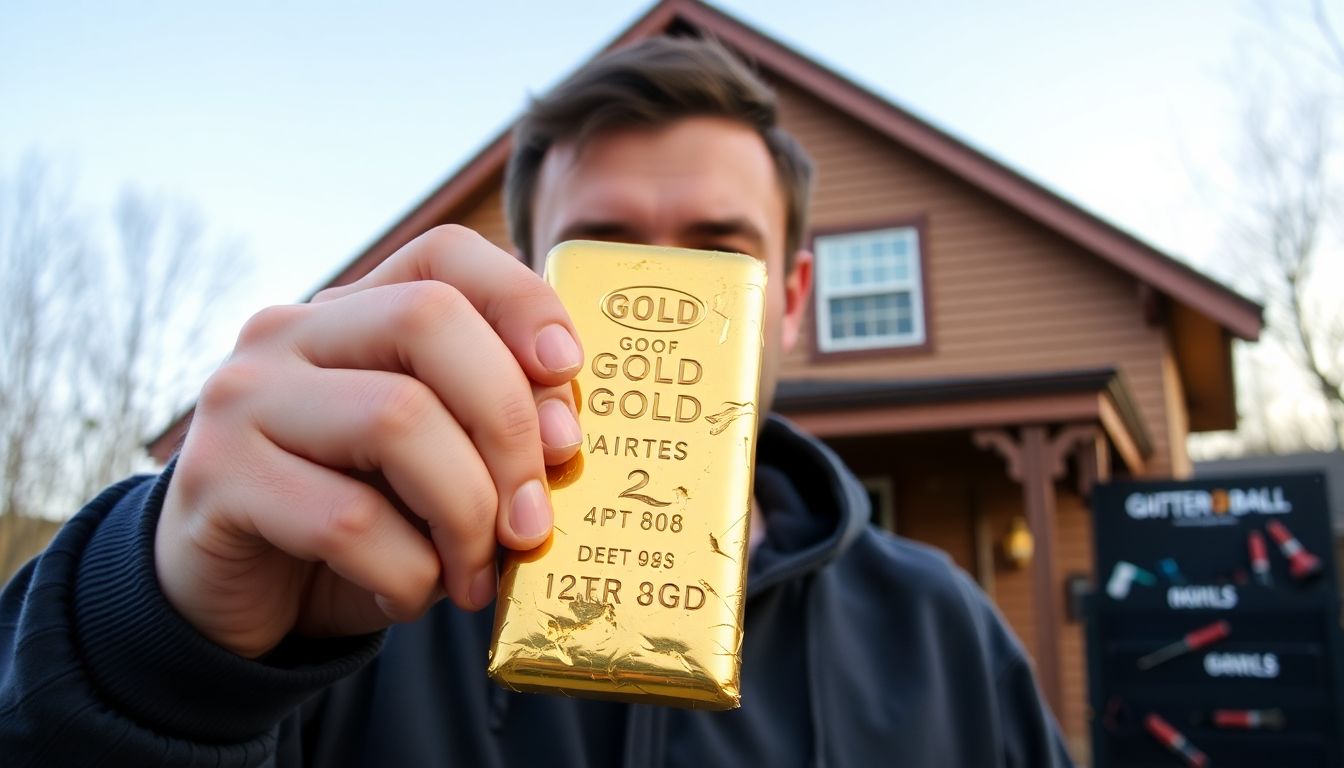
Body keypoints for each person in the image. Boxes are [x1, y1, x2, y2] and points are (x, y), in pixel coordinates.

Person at [1, 36, 1073, 766]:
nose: (663, 295)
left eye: (719, 251)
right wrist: (150, 637)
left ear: (791, 297)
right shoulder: (345, 595)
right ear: (533, 285)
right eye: (604, 252)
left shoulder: (947, 637)